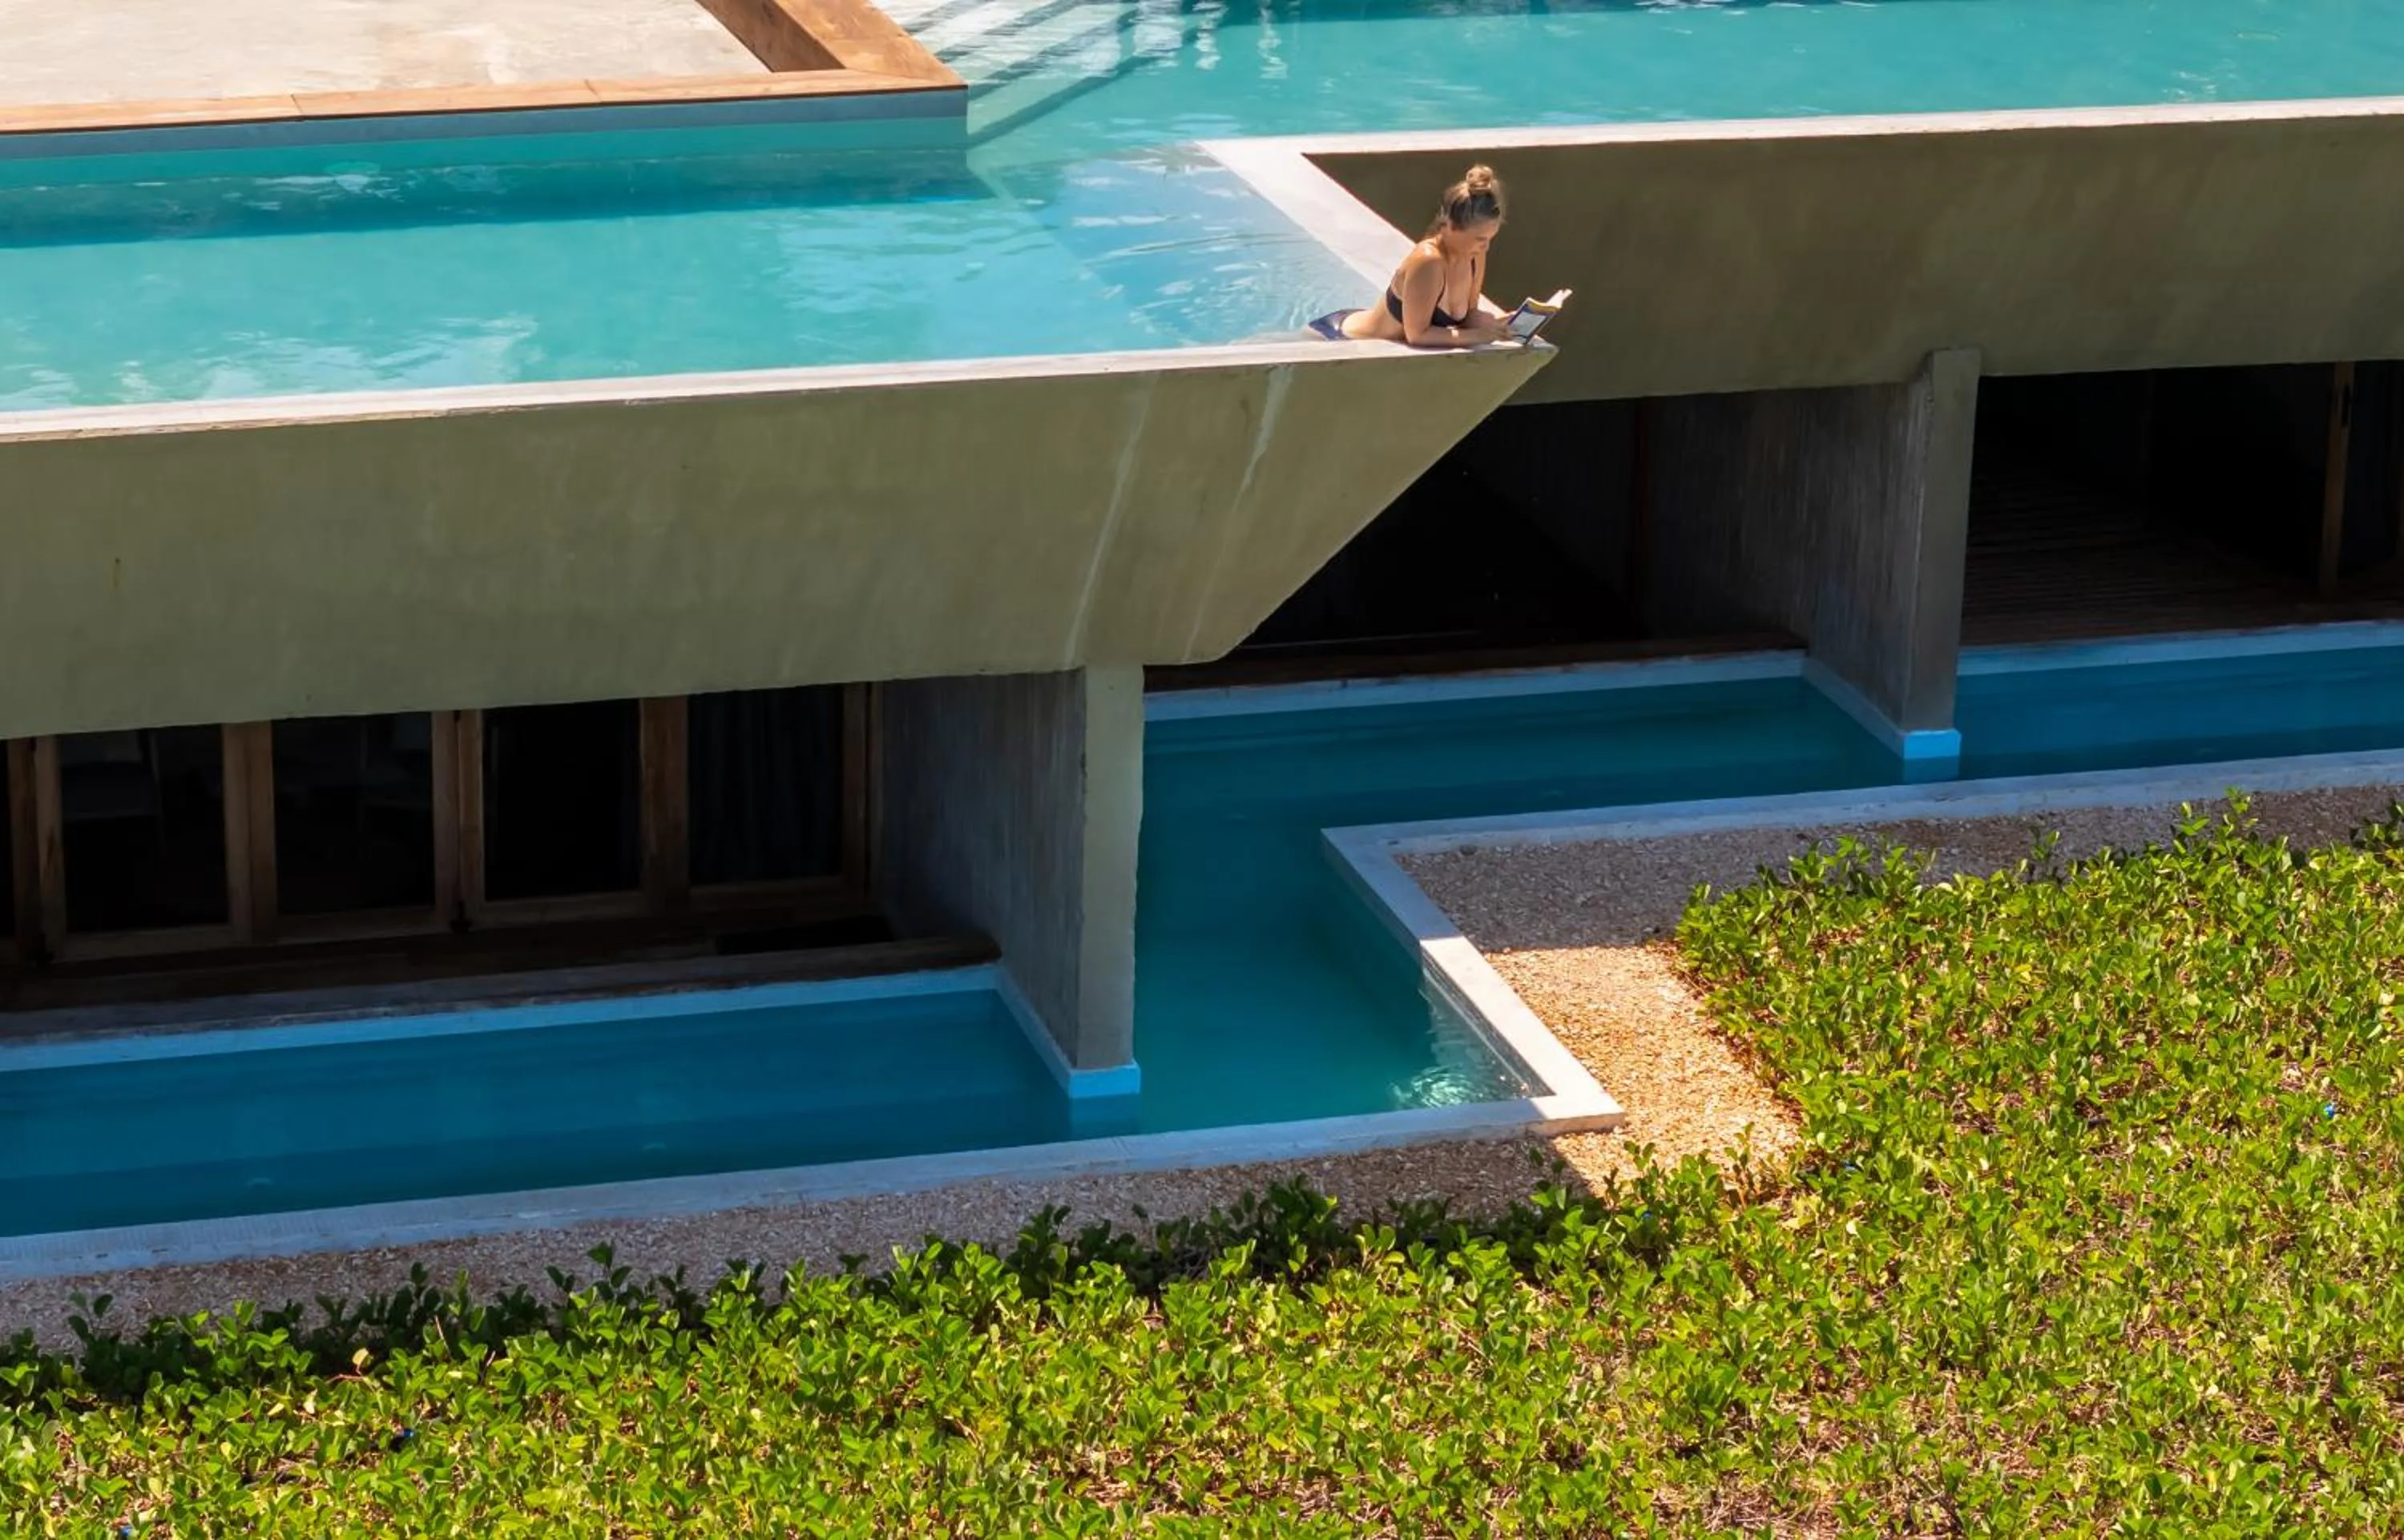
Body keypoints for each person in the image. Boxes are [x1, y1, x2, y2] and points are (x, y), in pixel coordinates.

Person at [1309, 164, 1513, 348]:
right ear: (1450, 226)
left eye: (1489, 239)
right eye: (1479, 239)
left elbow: (1469, 316)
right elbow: (1417, 335)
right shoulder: (1428, 261)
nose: (1485, 247)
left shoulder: (1474, 256)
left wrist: (1503, 324)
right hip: (1338, 338)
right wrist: (1478, 336)